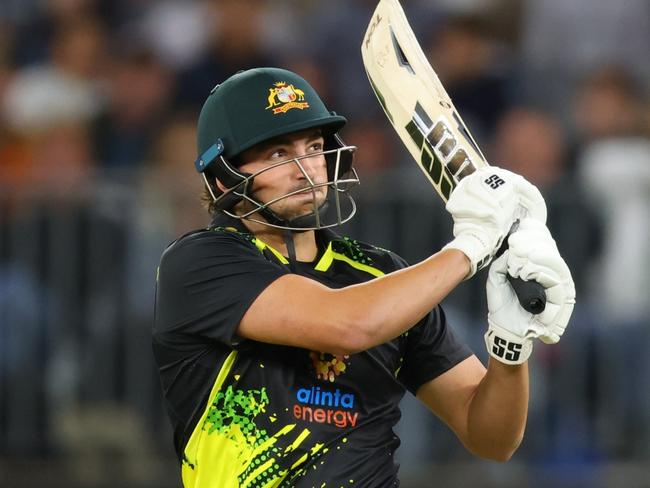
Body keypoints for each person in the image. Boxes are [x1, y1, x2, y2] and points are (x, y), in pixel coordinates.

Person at [152, 67, 575, 487]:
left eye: (314, 146)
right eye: (279, 154)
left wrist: (510, 347)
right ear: (224, 174)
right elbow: (348, 325)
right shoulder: (199, 262)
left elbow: (492, 439)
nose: (307, 168)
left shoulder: (383, 276)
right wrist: (473, 244)